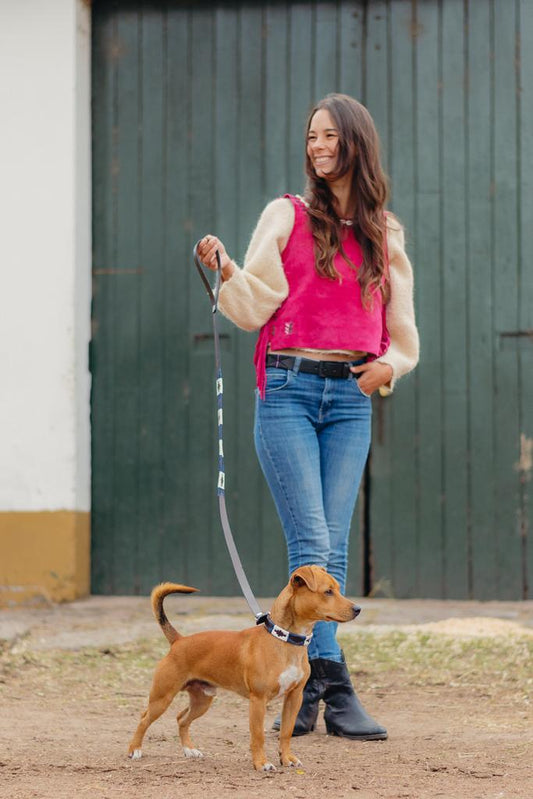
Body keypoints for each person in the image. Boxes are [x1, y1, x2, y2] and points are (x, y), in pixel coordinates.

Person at [196, 93, 419, 741]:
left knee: (334, 547)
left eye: (329, 136)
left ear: (356, 143)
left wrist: (393, 364)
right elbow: (254, 304)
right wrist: (227, 269)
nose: (317, 146)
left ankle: (310, 689)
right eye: (311, 137)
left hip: (349, 396)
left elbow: (400, 325)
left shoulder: (386, 230)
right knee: (313, 545)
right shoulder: (285, 214)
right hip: (288, 389)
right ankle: (332, 681)